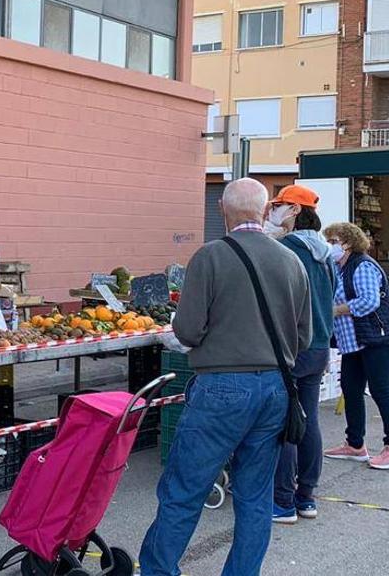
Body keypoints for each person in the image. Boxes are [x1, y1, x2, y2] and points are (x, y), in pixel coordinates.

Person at [140, 178, 310, 576]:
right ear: (266, 211)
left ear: (223, 211)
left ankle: (159, 570)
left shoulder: (210, 256)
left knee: (184, 490)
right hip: (275, 389)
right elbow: (304, 337)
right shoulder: (291, 261)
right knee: (254, 495)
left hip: (222, 386)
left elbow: (187, 331)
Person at [263, 186, 336, 524]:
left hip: (294, 349)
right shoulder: (326, 253)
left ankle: (282, 501)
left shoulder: (288, 248)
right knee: (309, 422)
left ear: (293, 211)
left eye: (278, 205)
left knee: (285, 424)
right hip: (319, 346)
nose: (272, 211)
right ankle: (306, 497)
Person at [321, 222, 389, 470]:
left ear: (347, 243)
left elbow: (369, 300)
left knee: (380, 390)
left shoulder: (362, 265)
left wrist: (334, 311)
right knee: (351, 389)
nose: (331, 246)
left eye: (333, 241)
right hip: (353, 342)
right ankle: (355, 444)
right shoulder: (342, 267)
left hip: (374, 339)